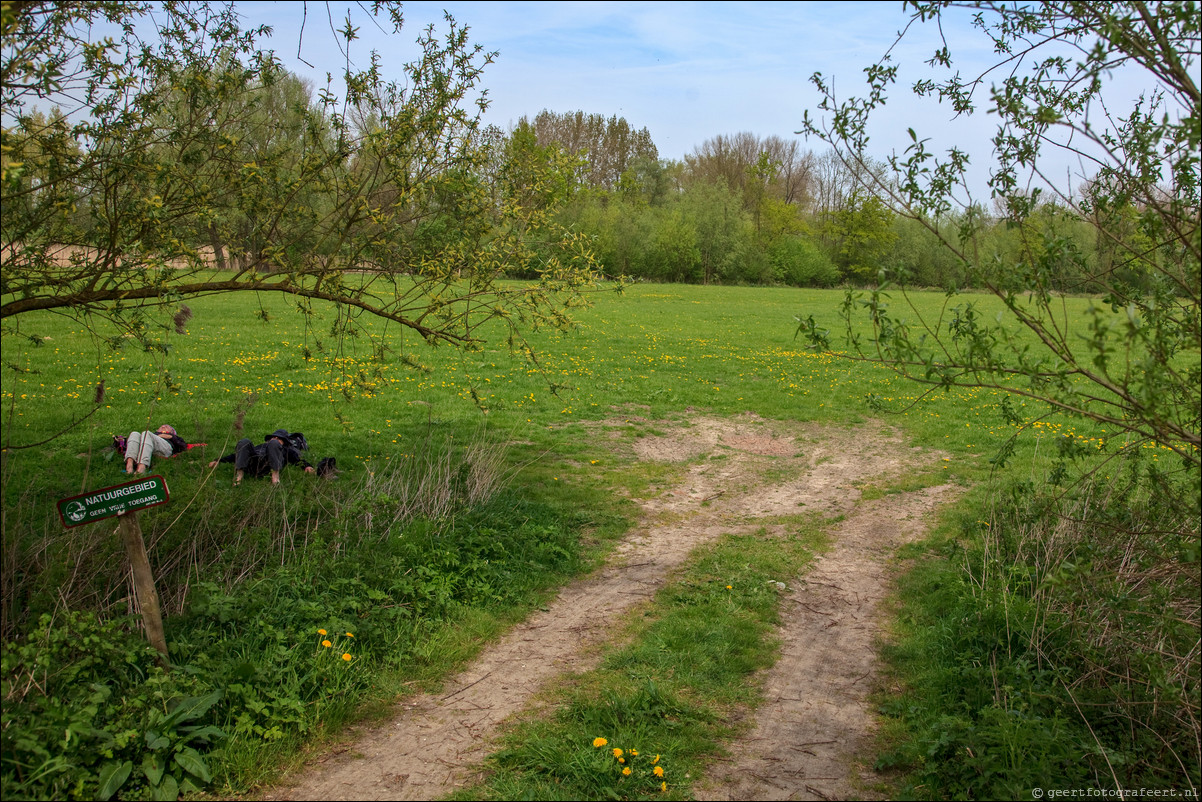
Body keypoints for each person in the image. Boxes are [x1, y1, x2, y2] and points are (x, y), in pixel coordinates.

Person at [208, 429, 315, 486]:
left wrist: (307, 466)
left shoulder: (286, 450)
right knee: (244, 442)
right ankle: (239, 476)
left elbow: (297, 459)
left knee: (274, 445)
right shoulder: (260, 446)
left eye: (279, 438)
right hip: (253, 462)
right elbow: (238, 455)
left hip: (268, 465)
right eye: (274, 437)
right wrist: (218, 460)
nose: (275, 439)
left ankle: (275, 476)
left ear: (284, 442)